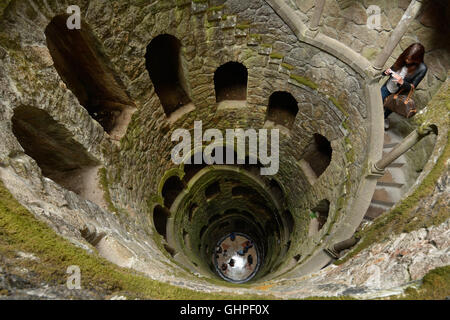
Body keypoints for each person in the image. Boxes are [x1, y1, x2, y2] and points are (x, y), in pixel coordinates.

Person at [381, 43, 427, 129]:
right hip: (388, 86)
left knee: (390, 107)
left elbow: (412, 87)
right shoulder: (404, 57)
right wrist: (385, 72)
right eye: (406, 58)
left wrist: (402, 82)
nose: (407, 60)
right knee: (379, 101)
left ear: (417, 59)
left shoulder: (422, 68)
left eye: (410, 59)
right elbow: (392, 69)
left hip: (399, 92)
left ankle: (384, 118)